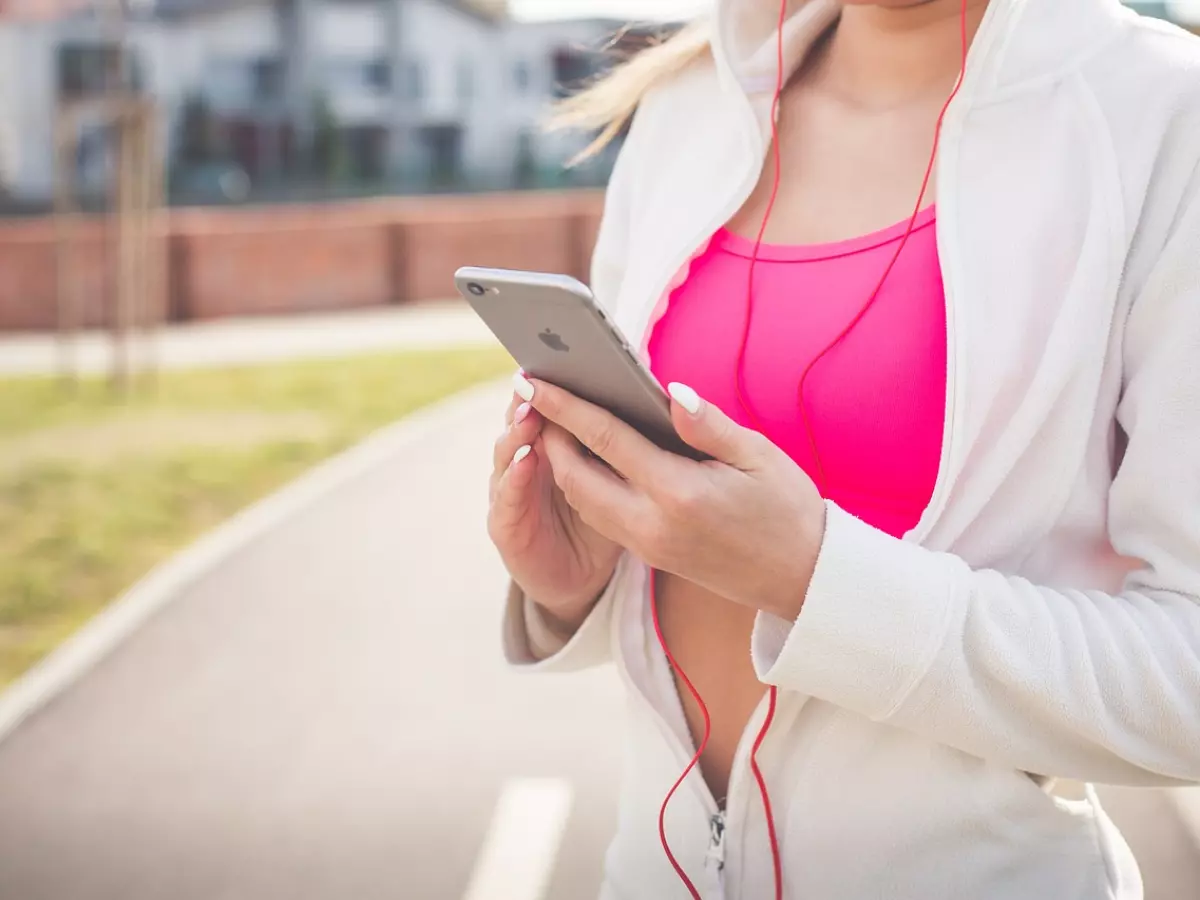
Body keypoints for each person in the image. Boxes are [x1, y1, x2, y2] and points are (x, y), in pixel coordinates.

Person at [487, 0, 1200, 897]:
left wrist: (815, 580)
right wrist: (574, 587)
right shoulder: (688, 106)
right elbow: (672, 562)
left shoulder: (1168, 118)